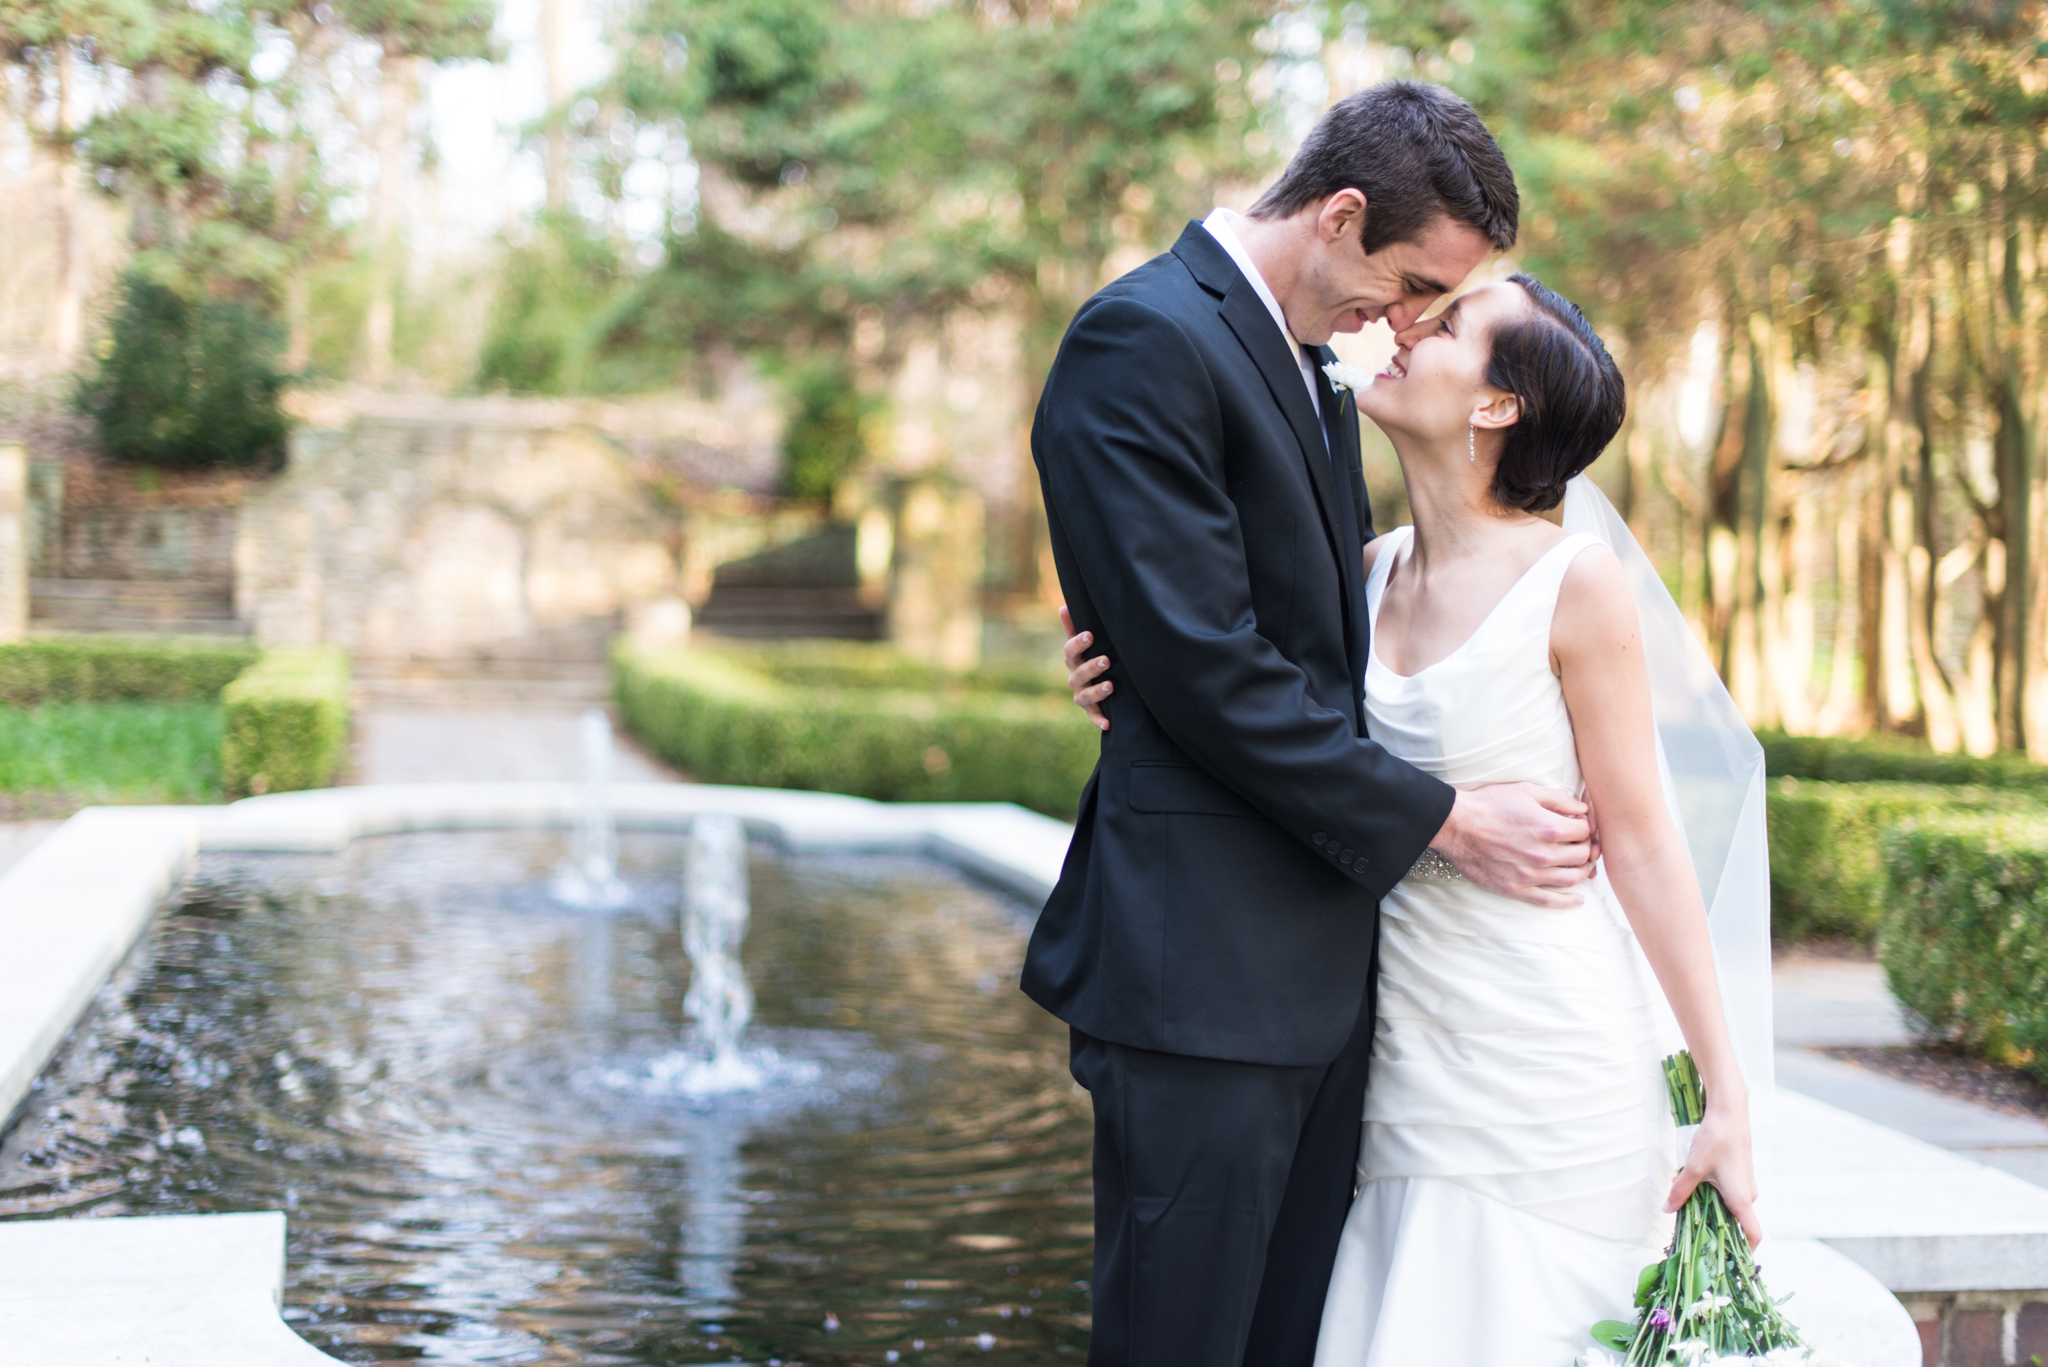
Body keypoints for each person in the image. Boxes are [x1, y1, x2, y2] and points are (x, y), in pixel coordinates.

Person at [1059, 274, 1764, 1363]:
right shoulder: (1363, 570)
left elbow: (1642, 841)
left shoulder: (1574, 585)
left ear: (1496, 406)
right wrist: (1117, 673)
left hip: (1540, 1055)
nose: (1401, 328)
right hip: (1388, 1060)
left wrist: (1725, 1098)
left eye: (1444, 326)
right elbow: (1245, 703)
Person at [1024, 81, 1610, 1367]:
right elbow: (1207, 664)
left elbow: (1286, 638)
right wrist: (1446, 818)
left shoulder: (1311, 371)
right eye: (1409, 283)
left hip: (1324, 981)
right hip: (1201, 980)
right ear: (1341, 214)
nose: (1402, 324)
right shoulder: (1143, 335)